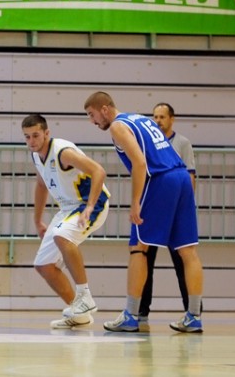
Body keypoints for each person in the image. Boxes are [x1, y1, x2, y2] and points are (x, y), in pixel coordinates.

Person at [83, 92, 204, 333]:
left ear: (104, 109)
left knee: (139, 247)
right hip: (181, 176)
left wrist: (135, 202)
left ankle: (131, 315)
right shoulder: (139, 118)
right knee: (188, 251)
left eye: (92, 114)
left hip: (160, 180)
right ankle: (194, 316)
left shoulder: (117, 126)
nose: (92, 121)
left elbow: (140, 163)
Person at [21, 114, 111, 329]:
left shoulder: (63, 152)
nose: (31, 141)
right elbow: (41, 185)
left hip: (91, 203)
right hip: (68, 209)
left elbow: (99, 171)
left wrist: (90, 206)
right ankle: (79, 315)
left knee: (62, 236)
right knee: (43, 265)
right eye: (27, 137)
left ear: (47, 133)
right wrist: (37, 220)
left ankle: (85, 296)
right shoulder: (36, 156)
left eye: (35, 135)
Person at [138, 102, 196, 328]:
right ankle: (141, 310)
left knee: (182, 260)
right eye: (155, 116)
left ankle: (192, 311)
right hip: (153, 208)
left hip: (175, 209)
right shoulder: (147, 142)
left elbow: (190, 176)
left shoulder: (182, 143)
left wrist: (186, 207)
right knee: (144, 259)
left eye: (162, 117)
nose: (158, 121)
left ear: (172, 119)